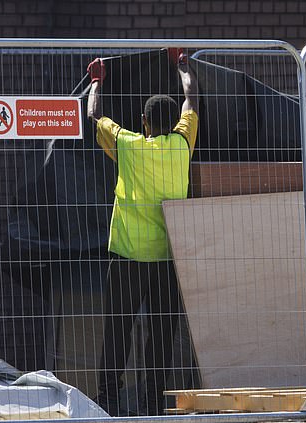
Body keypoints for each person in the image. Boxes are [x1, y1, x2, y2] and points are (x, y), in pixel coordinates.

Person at [86, 53, 199, 416]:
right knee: (162, 334)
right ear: (174, 124)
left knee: (118, 331)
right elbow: (191, 100)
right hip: (168, 258)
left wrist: (96, 81)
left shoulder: (129, 146)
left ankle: (109, 400)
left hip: (128, 255)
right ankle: (153, 403)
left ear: (144, 123)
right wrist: (182, 66)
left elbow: (93, 116)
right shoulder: (182, 145)